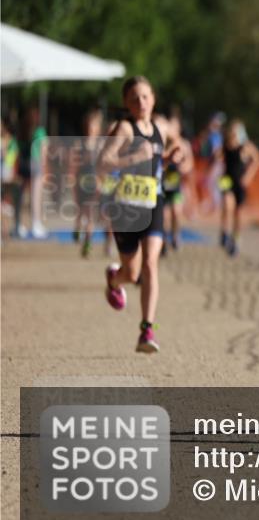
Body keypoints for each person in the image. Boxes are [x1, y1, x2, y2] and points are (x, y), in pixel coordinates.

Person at [98, 76, 186, 353]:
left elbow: (178, 145)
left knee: (150, 264)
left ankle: (147, 330)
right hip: (126, 207)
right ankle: (114, 280)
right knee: (132, 272)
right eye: (135, 98)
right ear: (126, 103)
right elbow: (102, 162)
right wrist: (134, 158)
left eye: (145, 96)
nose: (141, 102)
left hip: (153, 202)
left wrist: (174, 157)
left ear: (154, 98)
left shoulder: (161, 125)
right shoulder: (124, 128)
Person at [218, 118, 259, 257]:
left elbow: (257, 159)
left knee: (238, 213)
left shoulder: (245, 146)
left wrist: (248, 176)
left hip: (239, 182)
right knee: (226, 204)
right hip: (226, 180)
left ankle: (235, 238)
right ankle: (224, 231)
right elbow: (218, 158)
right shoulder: (226, 145)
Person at [161, 107, 194, 255]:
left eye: (175, 126)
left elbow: (190, 163)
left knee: (176, 212)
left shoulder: (184, 144)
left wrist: (183, 168)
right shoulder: (163, 143)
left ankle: (176, 234)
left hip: (176, 184)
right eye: (170, 126)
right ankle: (164, 241)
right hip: (163, 183)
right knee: (165, 215)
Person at [72, 109, 104, 258]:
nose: (92, 129)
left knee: (90, 213)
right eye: (90, 126)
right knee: (81, 211)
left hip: (94, 182)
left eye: (95, 126)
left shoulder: (100, 144)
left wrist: (101, 180)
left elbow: (103, 165)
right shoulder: (80, 143)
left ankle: (87, 242)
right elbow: (74, 165)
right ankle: (78, 228)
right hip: (81, 182)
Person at [13, 106, 48, 239]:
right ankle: (36, 224)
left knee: (19, 197)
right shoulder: (39, 131)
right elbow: (43, 151)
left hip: (22, 164)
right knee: (35, 196)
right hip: (35, 164)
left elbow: (15, 147)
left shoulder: (21, 130)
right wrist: (45, 169)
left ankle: (17, 225)